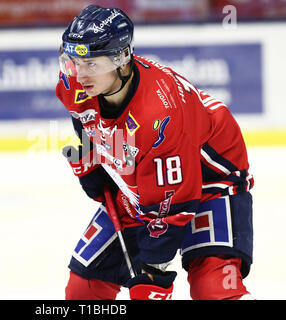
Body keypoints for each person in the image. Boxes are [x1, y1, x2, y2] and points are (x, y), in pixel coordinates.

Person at [56, 5, 254, 300]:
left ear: (120, 59)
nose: (79, 74)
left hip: (211, 180)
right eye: (72, 61)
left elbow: (175, 204)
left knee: (212, 290)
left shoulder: (159, 116)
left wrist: (153, 271)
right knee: (84, 289)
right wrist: (93, 161)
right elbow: (84, 117)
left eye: (91, 64)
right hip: (148, 181)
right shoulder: (75, 83)